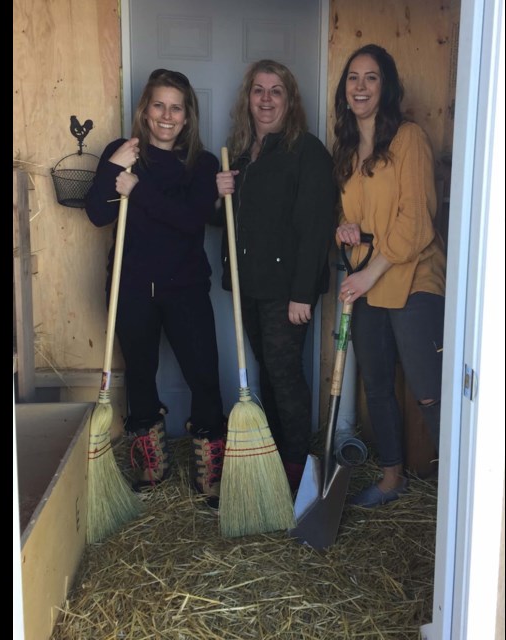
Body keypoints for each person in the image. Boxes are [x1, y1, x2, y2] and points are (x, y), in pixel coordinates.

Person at [84, 68, 227, 508]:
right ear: (145, 112)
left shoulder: (201, 164)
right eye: (159, 105)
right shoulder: (122, 153)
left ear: (187, 117)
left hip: (184, 288)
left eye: (176, 107)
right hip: (131, 288)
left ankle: (211, 465)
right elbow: (96, 215)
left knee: (203, 374)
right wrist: (113, 168)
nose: (167, 115)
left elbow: (190, 220)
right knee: (141, 376)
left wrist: (137, 189)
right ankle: (151, 462)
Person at [332, 44, 447, 508]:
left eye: (371, 78)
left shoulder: (409, 138)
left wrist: (369, 272)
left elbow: (415, 222)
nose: (360, 87)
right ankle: (391, 478)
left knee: (428, 390)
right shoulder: (346, 149)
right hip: (368, 279)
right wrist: (346, 230)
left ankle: (456, 488)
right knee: (376, 385)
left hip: (413, 276)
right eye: (353, 78)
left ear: (387, 86)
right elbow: (355, 218)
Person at [215, 60, 337, 493]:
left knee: (285, 377)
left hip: (287, 291)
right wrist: (220, 195)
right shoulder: (244, 153)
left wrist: (303, 293)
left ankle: (298, 468)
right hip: (250, 286)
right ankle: (280, 456)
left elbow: (315, 227)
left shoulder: (306, 151)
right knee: (269, 371)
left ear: (289, 101)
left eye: (276, 91)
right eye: (258, 91)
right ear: (248, 99)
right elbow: (231, 223)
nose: (266, 100)